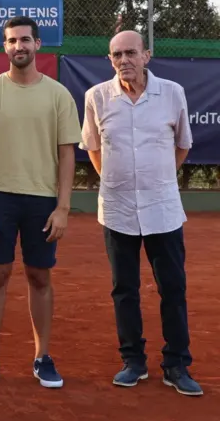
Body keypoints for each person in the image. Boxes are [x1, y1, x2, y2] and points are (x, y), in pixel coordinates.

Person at [79, 30, 202, 396]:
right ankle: (133, 361)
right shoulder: (96, 96)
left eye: (131, 53)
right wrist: (115, 182)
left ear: (146, 55)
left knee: (173, 288)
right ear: (110, 60)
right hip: (117, 210)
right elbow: (93, 147)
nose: (124, 61)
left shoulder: (172, 93)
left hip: (163, 209)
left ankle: (176, 364)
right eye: (116, 55)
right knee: (124, 289)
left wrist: (158, 179)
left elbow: (182, 145)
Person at [0, 15, 81, 389]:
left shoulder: (59, 95)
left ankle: (42, 357)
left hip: (43, 200)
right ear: (5, 46)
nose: (19, 46)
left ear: (37, 44)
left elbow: (67, 155)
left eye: (25, 40)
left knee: (39, 276)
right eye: (12, 40)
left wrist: (62, 207)